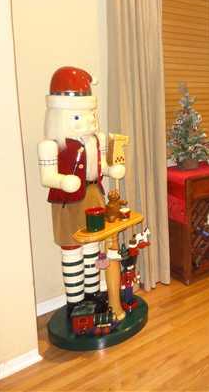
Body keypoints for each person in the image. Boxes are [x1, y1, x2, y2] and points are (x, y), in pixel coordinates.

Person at [38, 66, 125, 314]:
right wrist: (62, 181)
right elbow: (47, 176)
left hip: (93, 195)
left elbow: (100, 167)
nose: (88, 121)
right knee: (72, 248)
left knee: (92, 247)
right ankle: (75, 301)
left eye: (90, 115)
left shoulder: (96, 141)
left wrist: (111, 170)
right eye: (79, 117)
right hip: (67, 202)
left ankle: (93, 294)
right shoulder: (50, 145)